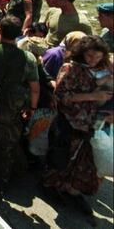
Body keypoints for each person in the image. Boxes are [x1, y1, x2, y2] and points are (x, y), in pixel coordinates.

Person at [43, 36, 112, 215]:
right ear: (82, 53)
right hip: (69, 121)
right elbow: (60, 96)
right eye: (90, 56)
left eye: (97, 57)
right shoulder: (70, 68)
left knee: (82, 160)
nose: (93, 60)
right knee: (61, 158)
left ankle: (71, 189)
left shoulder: (98, 69)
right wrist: (92, 97)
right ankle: (50, 186)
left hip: (89, 123)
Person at [0, 16, 40, 203]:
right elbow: (34, 87)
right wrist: (32, 108)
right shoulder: (27, 58)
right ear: (20, 33)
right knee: (5, 152)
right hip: (11, 111)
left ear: (0, 32)